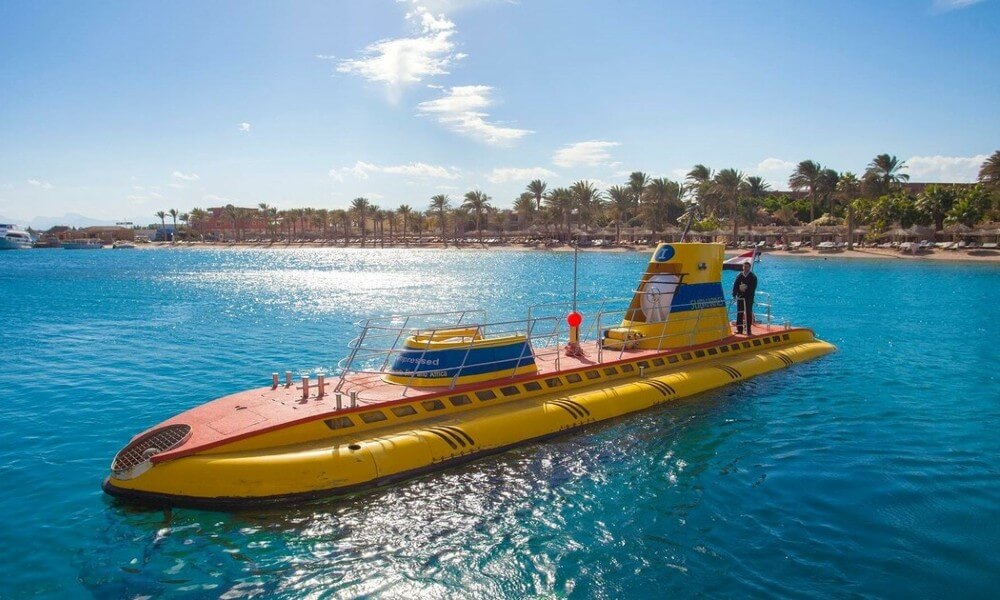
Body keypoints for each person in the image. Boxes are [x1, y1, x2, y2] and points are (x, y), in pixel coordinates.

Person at [732, 261, 757, 334]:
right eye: (744, 267)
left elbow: (753, 287)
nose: (745, 268)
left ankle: (748, 329)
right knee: (739, 312)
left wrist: (745, 288)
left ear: (749, 267)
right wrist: (734, 294)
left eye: (746, 267)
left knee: (748, 312)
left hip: (749, 297)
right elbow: (735, 285)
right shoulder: (739, 275)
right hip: (740, 297)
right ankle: (739, 329)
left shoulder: (753, 277)